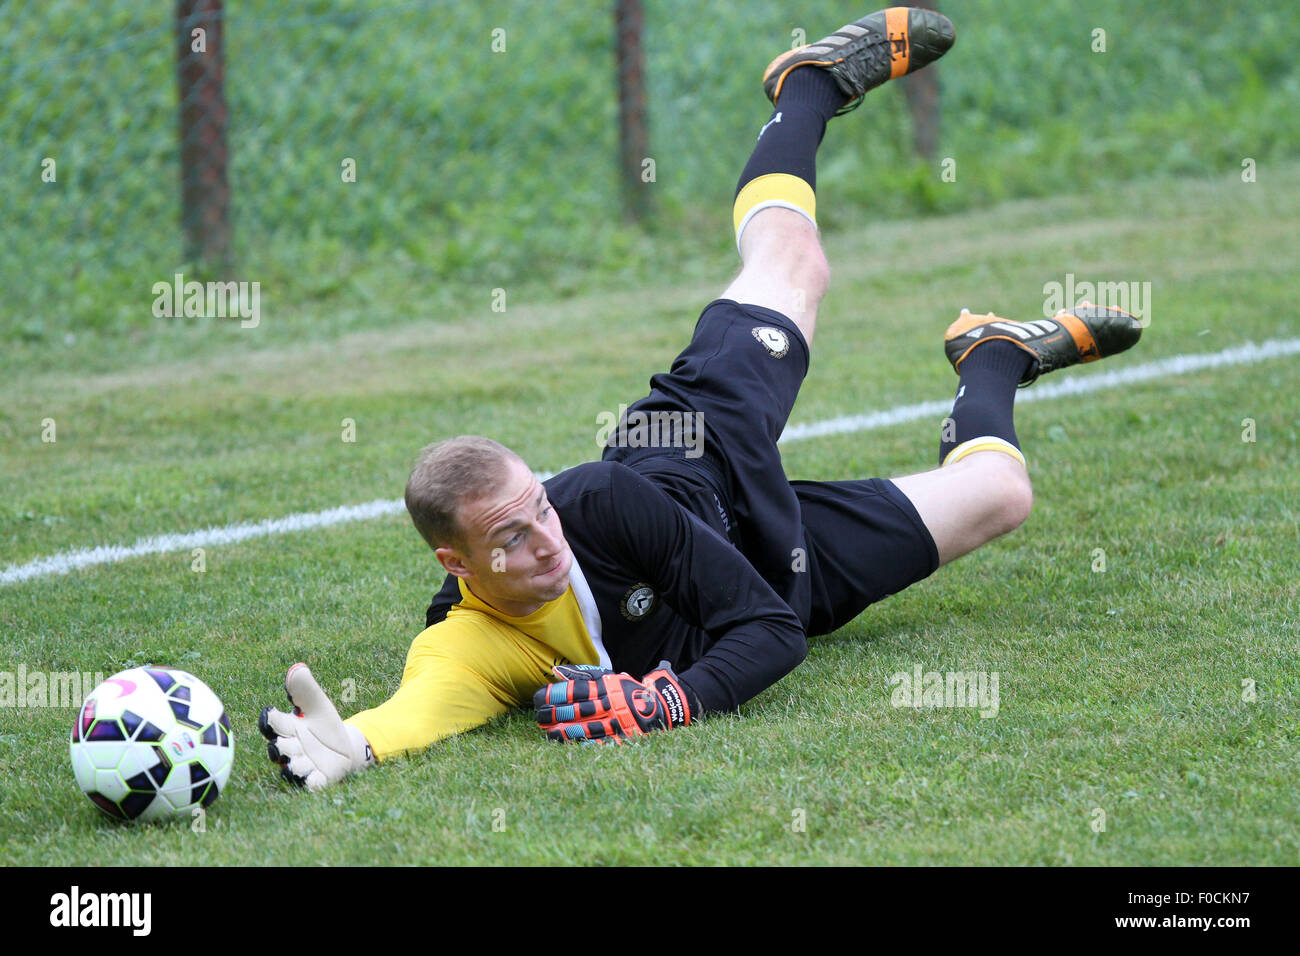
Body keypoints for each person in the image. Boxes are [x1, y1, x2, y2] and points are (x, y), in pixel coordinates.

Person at [258, 6, 1141, 789]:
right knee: (1003, 496)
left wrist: (670, 701)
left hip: (691, 450)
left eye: (538, 508)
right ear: (459, 568)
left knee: (795, 267)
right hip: (762, 561)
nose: (543, 540)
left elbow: (755, 632)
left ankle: (806, 89)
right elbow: (427, 704)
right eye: (510, 537)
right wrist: (360, 744)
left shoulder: (597, 505)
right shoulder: (472, 639)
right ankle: (992, 358)